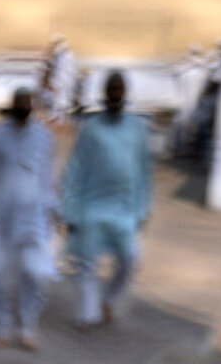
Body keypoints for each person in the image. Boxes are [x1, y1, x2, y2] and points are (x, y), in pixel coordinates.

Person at [59, 70, 153, 332]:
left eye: (119, 89)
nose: (114, 95)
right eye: (110, 90)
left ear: (125, 93)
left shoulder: (138, 128)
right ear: (103, 94)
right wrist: (69, 210)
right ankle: (87, 315)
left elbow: (144, 171)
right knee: (86, 263)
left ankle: (108, 300)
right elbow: (75, 169)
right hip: (91, 206)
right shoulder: (90, 128)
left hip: (124, 210)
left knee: (130, 260)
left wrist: (143, 209)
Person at [0, 89, 59, 351]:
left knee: (34, 272)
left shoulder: (43, 138)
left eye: (27, 106)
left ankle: (27, 325)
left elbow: (47, 176)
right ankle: (0, 326)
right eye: (18, 106)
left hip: (34, 217)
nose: (23, 110)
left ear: (32, 108)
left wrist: (54, 210)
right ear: (11, 107)